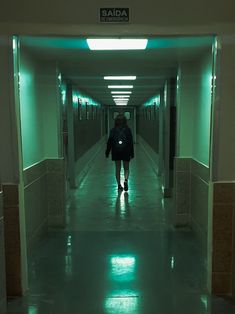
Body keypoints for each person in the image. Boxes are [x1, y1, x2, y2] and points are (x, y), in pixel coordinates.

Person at [105, 114, 134, 191]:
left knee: (117, 169)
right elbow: (131, 142)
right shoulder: (128, 130)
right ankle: (126, 180)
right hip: (126, 151)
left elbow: (109, 142)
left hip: (116, 151)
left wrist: (107, 152)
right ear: (125, 121)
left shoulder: (113, 130)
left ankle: (119, 185)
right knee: (126, 168)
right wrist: (132, 153)